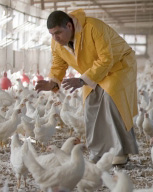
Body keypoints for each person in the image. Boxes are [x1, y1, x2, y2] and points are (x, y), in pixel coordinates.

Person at [35, 9, 139, 165]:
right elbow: (58, 64)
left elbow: (106, 59)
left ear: (69, 26)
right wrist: (53, 82)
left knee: (112, 99)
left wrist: (82, 80)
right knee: (90, 104)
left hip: (120, 65)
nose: (55, 38)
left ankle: (120, 152)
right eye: (51, 34)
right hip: (93, 71)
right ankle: (99, 151)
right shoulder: (57, 43)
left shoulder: (93, 28)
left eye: (58, 33)